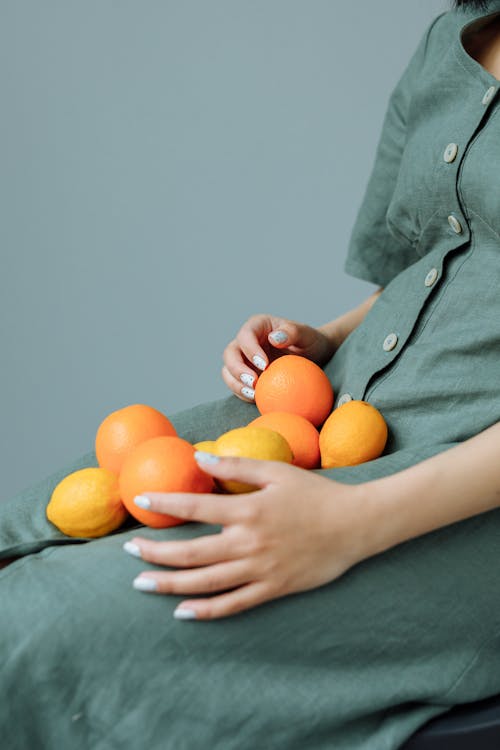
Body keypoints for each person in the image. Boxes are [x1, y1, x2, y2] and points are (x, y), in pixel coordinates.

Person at [2, 1, 500, 748]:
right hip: (329, 420)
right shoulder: (452, 36)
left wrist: (352, 523)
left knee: (45, 625)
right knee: (25, 536)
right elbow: (434, 264)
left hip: (457, 512)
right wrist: (323, 338)